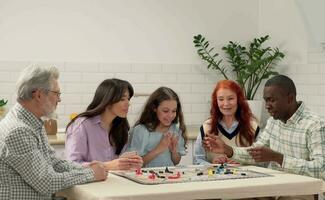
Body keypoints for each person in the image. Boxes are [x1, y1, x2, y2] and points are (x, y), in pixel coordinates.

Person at [204, 75, 325, 200]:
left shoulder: (317, 125)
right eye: (266, 100)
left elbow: (323, 170)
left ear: (290, 99)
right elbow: (255, 152)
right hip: (274, 188)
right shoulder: (274, 121)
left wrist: (278, 158)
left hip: (305, 191)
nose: (267, 105)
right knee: (236, 196)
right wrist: (228, 150)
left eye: (272, 100)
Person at [0, 65, 107, 200]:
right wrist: (91, 174)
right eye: (56, 93)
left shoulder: (31, 122)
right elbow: (47, 182)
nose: (59, 99)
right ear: (38, 95)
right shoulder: (18, 131)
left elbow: (53, 162)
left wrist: (86, 168)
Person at [65, 78, 143, 171]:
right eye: (122, 99)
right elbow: (71, 165)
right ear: (107, 100)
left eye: (128, 99)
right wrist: (107, 166)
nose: (128, 103)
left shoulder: (121, 127)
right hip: (88, 184)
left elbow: (116, 165)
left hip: (112, 183)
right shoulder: (82, 125)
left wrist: (129, 162)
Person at [194, 80, 259, 165]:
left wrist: (240, 162)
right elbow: (197, 159)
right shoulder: (206, 127)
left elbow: (262, 161)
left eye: (230, 98)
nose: (226, 103)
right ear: (216, 102)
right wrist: (212, 164)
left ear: (238, 100)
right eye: (221, 99)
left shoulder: (253, 127)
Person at [128, 86, 187, 167]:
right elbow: (135, 165)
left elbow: (176, 162)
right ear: (154, 108)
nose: (170, 115)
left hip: (168, 176)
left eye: (174, 111)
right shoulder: (141, 130)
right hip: (146, 178)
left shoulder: (175, 130)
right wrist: (158, 149)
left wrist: (174, 151)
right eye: (165, 111)